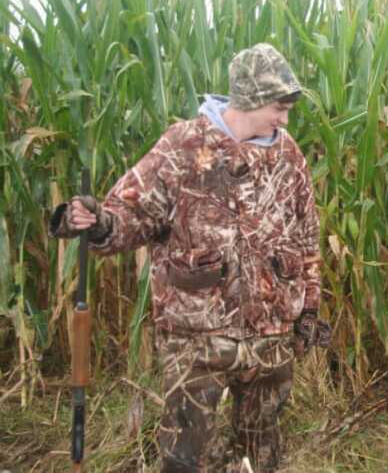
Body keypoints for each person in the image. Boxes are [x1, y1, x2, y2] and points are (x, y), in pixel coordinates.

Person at [49, 43, 330, 472]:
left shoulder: (288, 154)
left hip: (270, 335)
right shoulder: (183, 146)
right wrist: (99, 223)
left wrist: (308, 306)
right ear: (252, 99)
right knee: (184, 456)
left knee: (263, 455)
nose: (285, 118)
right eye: (279, 106)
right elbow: (132, 213)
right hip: (196, 335)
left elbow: (307, 235)